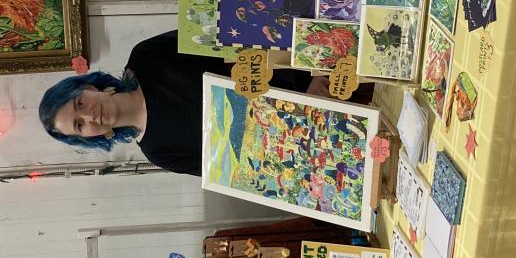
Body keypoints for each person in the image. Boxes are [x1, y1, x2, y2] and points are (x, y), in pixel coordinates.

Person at [40, 30, 330, 176]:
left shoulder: (146, 56)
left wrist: (311, 71)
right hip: (316, 135)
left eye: (79, 104)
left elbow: (231, 36)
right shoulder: (159, 152)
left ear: (88, 87)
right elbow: (242, 170)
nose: (89, 116)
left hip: (321, 78)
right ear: (88, 138)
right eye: (79, 125)